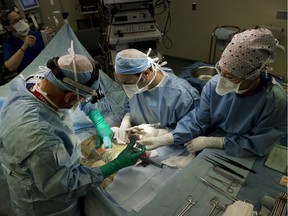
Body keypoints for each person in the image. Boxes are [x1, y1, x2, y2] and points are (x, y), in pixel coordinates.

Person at [0, 52, 145, 215]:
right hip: (46, 206)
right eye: (80, 100)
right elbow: (64, 185)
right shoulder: (39, 134)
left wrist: (97, 119)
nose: (82, 103)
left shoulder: (42, 81)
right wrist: (116, 164)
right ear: (69, 97)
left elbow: (77, 89)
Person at [137, 28, 287, 157]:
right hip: (219, 141)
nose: (221, 79)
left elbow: (260, 143)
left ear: (253, 74)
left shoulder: (275, 101)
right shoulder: (214, 84)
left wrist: (215, 142)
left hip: (248, 152)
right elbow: (199, 119)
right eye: (220, 70)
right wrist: (165, 139)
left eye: (230, 76)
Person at [112, 48, 200, 143]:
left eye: (127, 82)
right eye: (122, 83)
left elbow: (193, 128)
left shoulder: (182, 94)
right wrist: (127, 120)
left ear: (146, 73)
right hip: (139, 139)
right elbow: (130, 105)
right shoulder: (137, 85)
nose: (125, 87)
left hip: (171, 144)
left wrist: (159, 133)